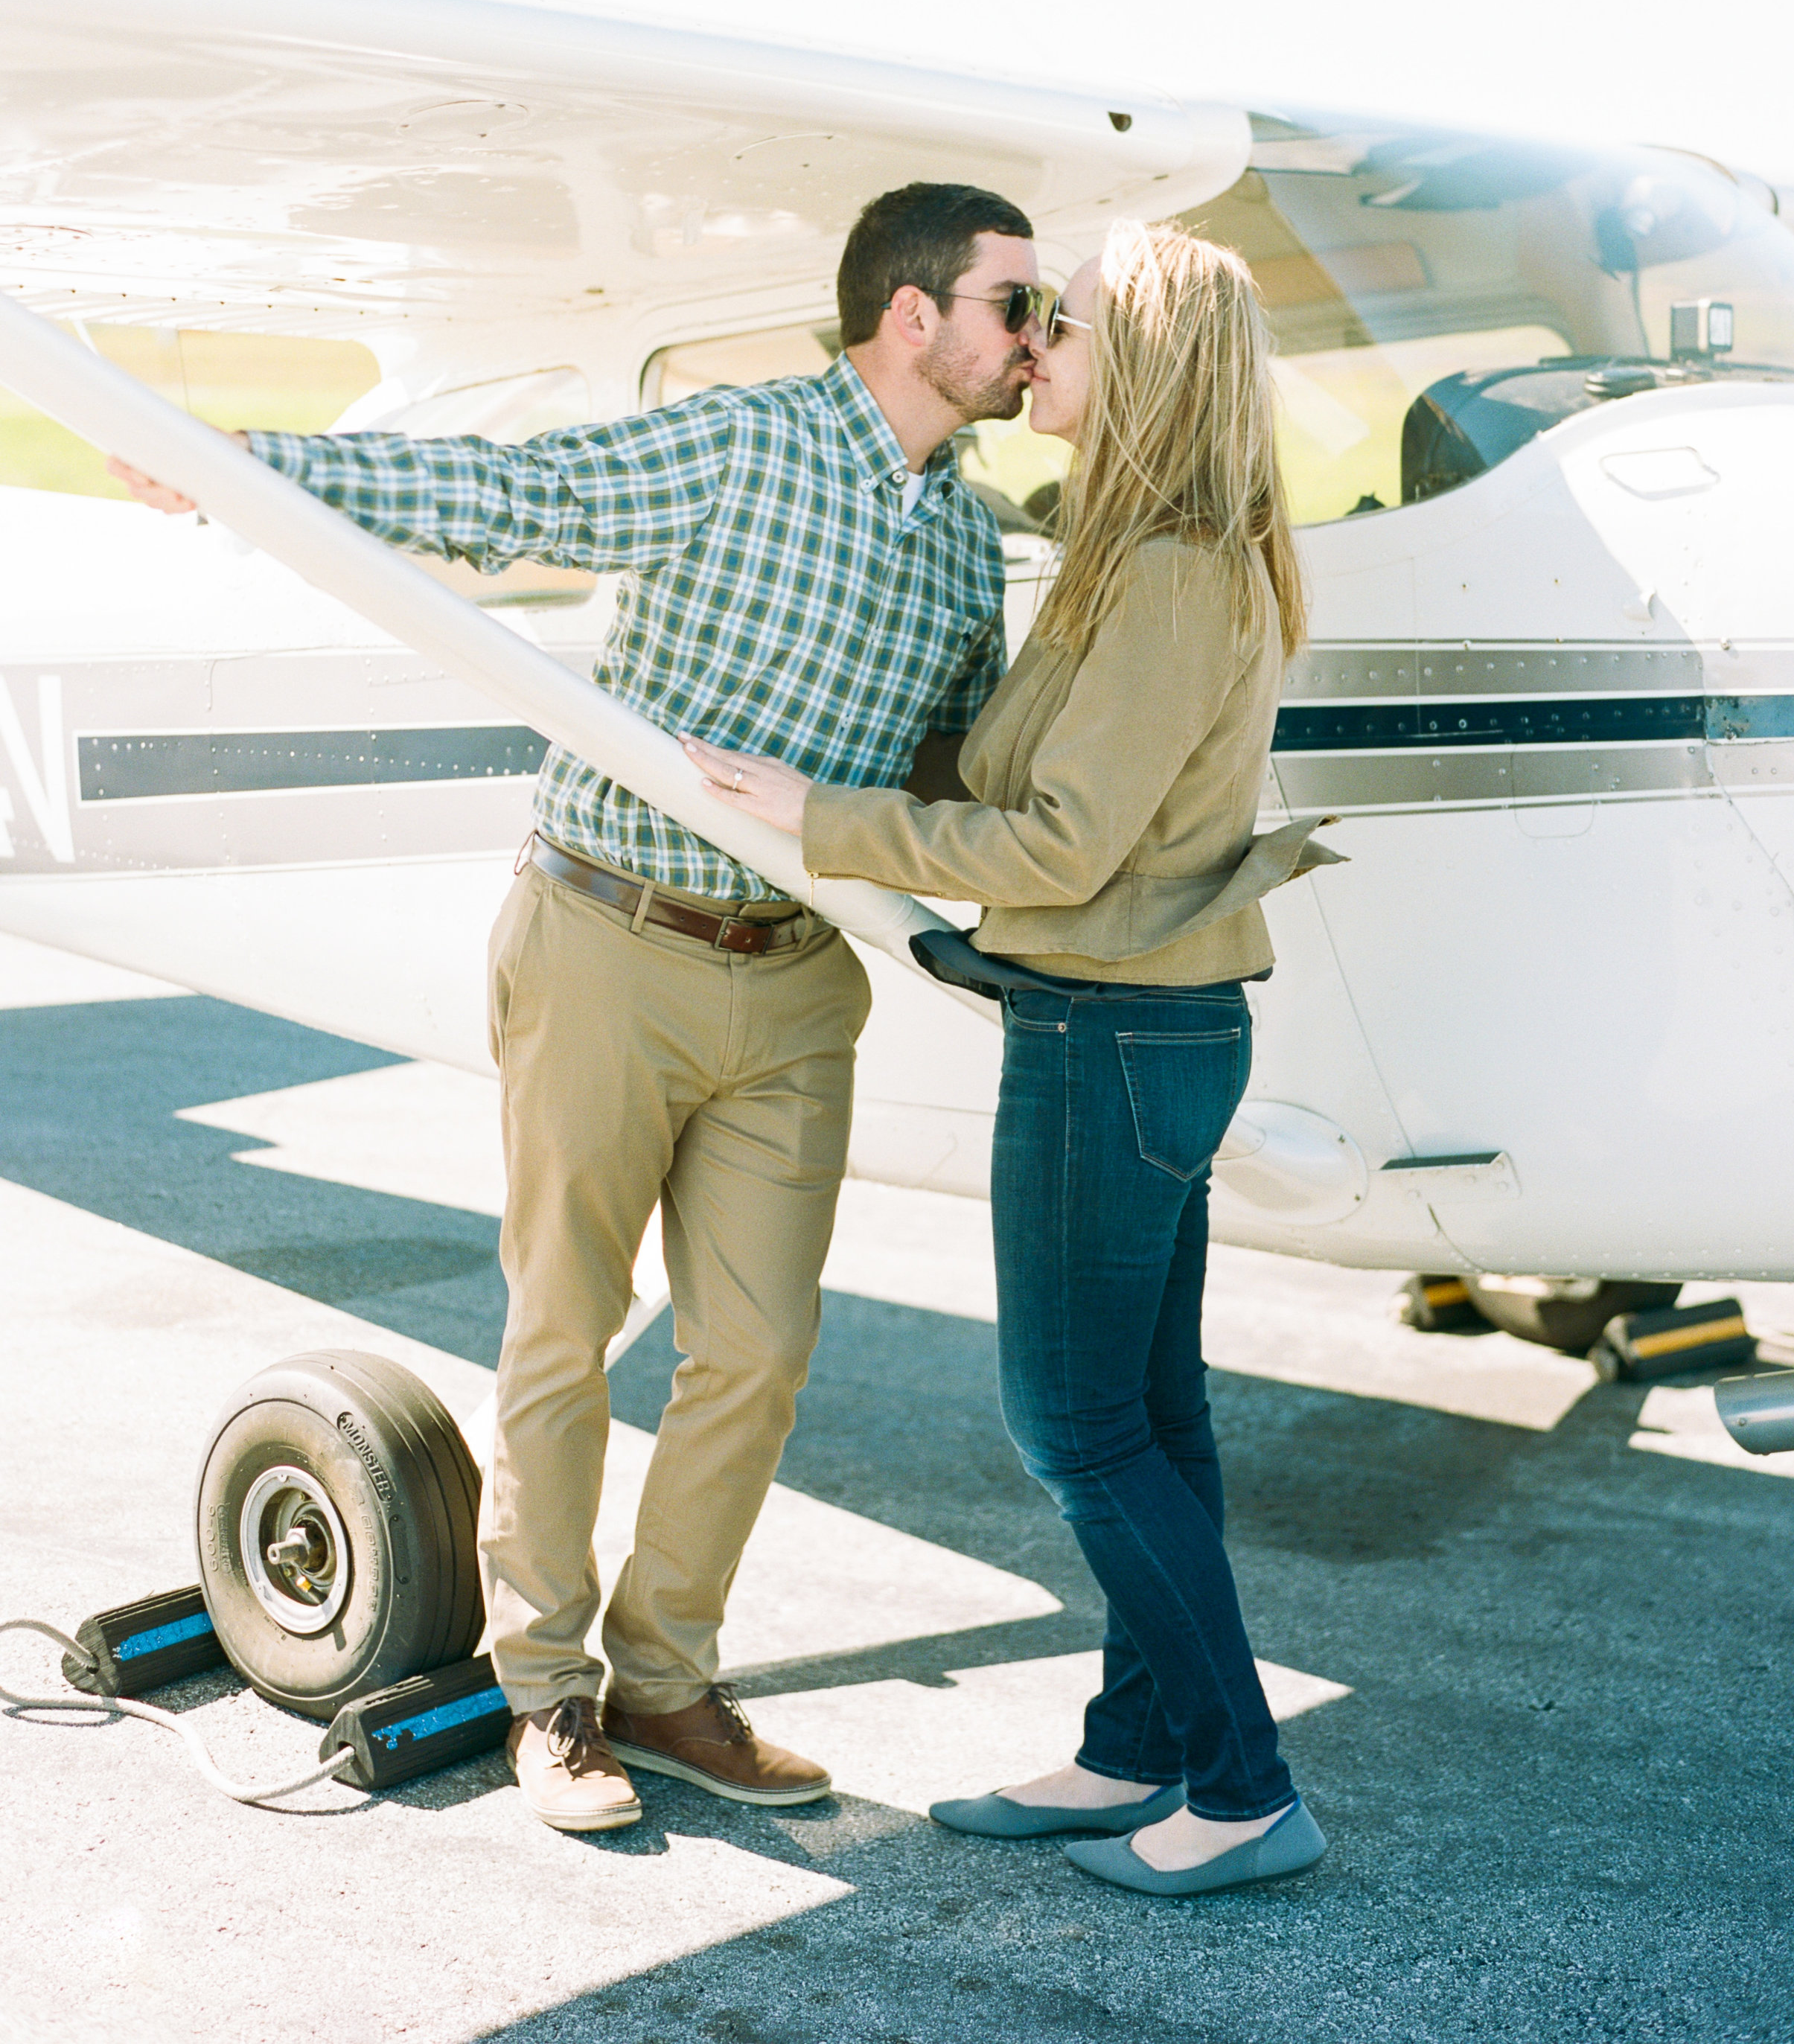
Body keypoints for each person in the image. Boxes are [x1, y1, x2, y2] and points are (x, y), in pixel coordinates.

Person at [108, 182, 1057, 1835]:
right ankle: (546, 1694)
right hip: (607, 938)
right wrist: (247, 464)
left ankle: (669, 1683)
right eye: (1012, 309)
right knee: (563, 1330)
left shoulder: (970, 540)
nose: (1033, 343)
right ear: (912, 316)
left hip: (794, 978)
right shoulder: (739, 444)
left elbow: (947, 767)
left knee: (756, 1350)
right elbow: (511, 490)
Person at [684, 220, 1342, 1897]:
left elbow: (1053, 845)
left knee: (1071, 1429)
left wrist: (813, 815)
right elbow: (1015, 773)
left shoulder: (1178, 568)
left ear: (1148, 364)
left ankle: (1244, 1790)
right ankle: (1137, 1750)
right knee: (1151, 1417)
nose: (1031, 347)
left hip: (1110, 1038)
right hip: (1137, 1030)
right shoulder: (1136, 555)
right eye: (1027, 313)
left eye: (1065, 323)